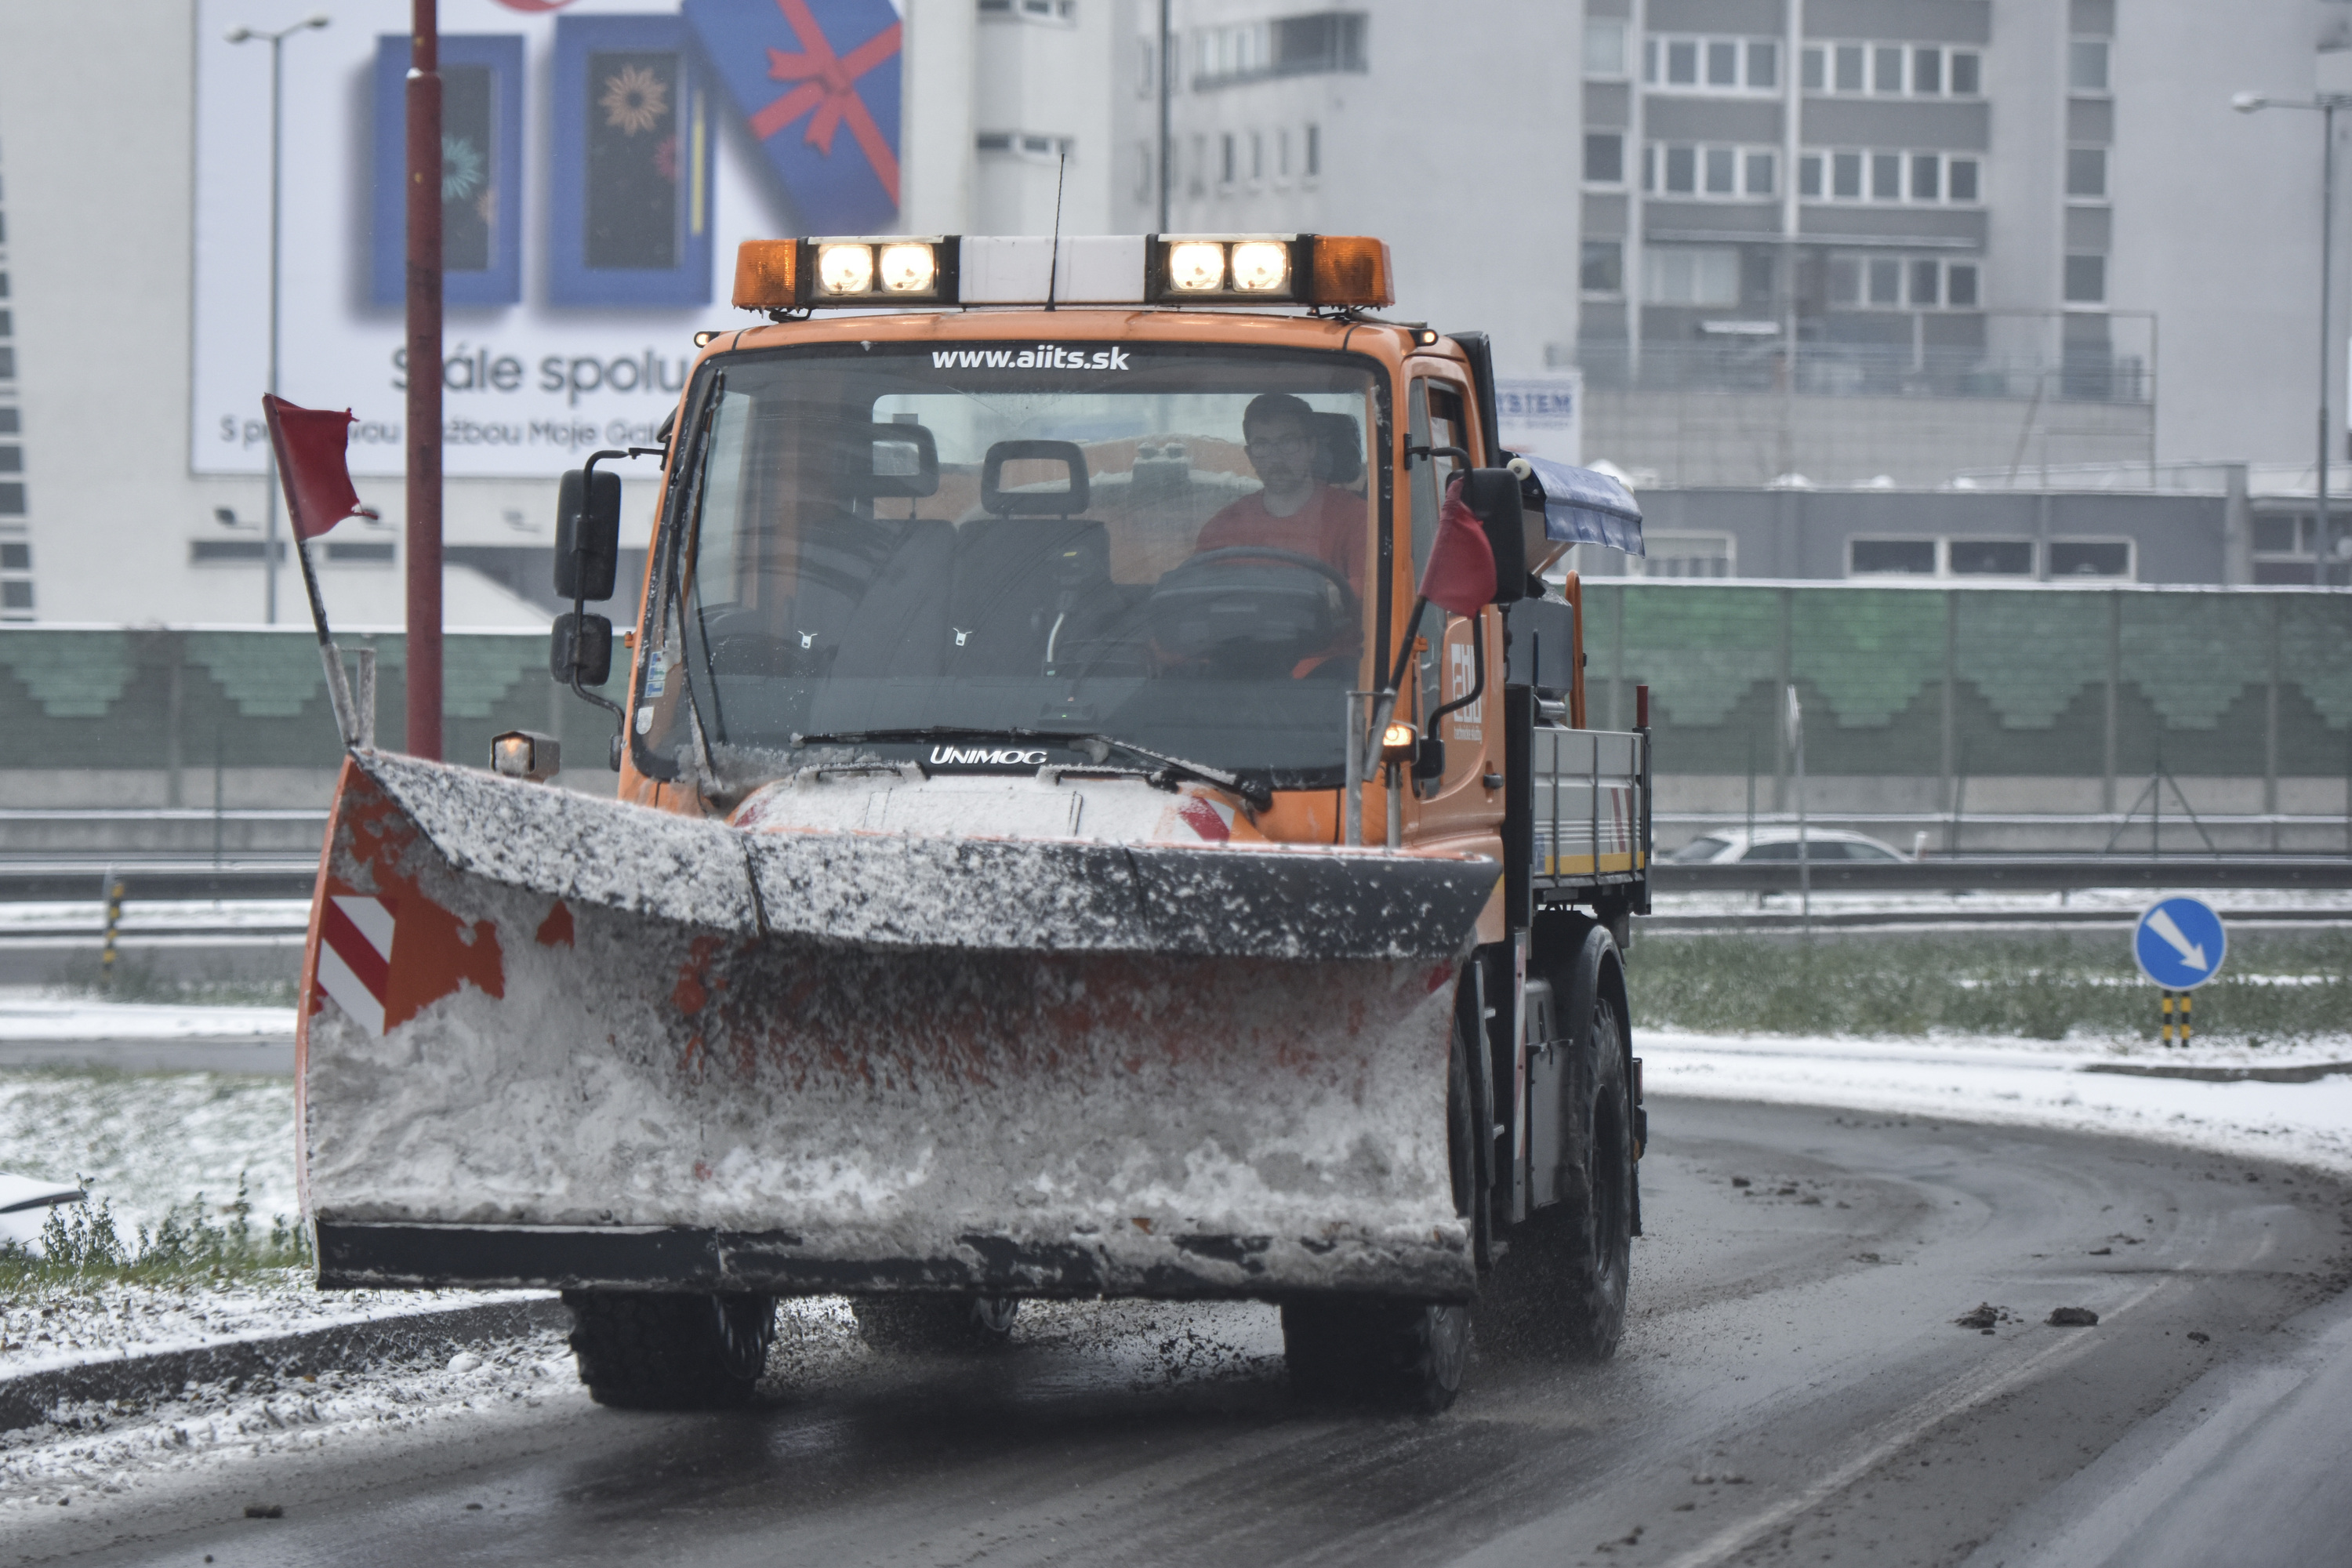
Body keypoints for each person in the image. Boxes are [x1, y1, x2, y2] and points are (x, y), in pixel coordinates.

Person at [1192, 393, 1366, 590]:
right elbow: (1196, 595)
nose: (1275, 457)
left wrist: (1338, 594)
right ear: (1250, 455)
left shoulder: (1357, 518)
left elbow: (1375, 593)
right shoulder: (1224, 527)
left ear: (1311, 447)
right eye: (1262, 444)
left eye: (1288, 441)